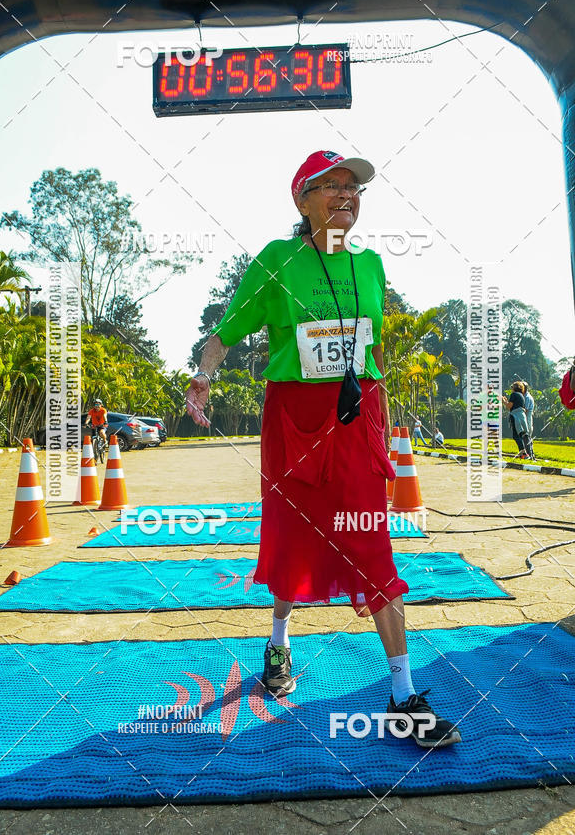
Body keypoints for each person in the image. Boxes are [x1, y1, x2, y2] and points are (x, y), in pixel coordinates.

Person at [185, 149, 461, 749]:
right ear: (301, 199)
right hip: (294, 424)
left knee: (372, 542)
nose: (346, 195)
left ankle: (402, 693)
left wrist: (382, 414)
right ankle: (280, 640)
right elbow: (224, 332)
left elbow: (371, 347)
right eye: (331, 186)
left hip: (355, 417)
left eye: (353, 187)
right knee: (293, 541)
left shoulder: (371, 267)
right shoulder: (276, 261)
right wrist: (202, 373)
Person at [502, 382, 531, 459]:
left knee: (516, 435)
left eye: (512, 387)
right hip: (522, 416)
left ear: (515, 388)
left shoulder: (514, 394)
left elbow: (509, 406)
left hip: (515, 416)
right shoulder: (521, 395)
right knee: (522, 434)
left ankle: (523, 452)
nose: (511, 388)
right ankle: (525, 453)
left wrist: (504, 401)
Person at [523, 382, 535, 459]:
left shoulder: (527, 397)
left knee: (527, 437)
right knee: (526, 438)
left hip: (527, 419)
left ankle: (530, 455)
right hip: (527, 418)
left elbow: (525, 410)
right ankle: (530, 455)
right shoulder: (525, 396)